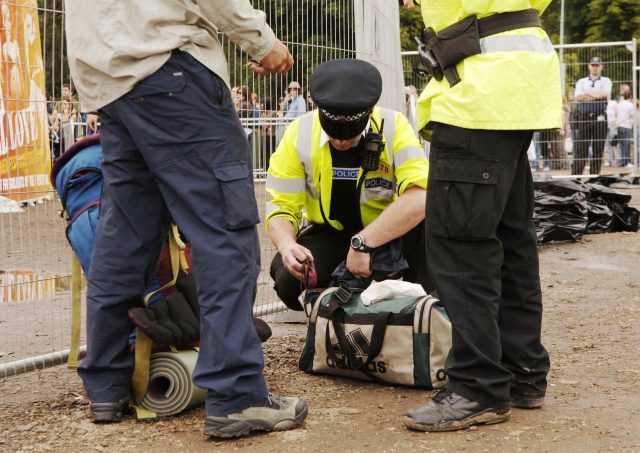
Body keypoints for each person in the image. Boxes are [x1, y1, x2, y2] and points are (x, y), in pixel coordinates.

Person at [64, 0, 308, 439]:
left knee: (125, 236)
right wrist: (262, 41)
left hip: (111, 84)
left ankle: (107, 383)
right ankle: (237, 395)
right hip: (170, 70)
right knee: (224, 235)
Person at [405, 1, 561, 432]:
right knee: (511, 241)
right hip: (518, 86)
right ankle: (522, 372)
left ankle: (478, 384)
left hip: (478, 91)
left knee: (462, 247)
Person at [266, 59, 429, 311]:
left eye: (350, 134)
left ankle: (419, 315)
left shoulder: (394, 126)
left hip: (389, 232)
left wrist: (363, 242)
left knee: (430, 232)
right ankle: (331, 318)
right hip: (331, 233)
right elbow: (281, 205)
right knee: (288, 277)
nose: (340, 143)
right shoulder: (299, 132)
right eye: (332, 134)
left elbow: (420, 196)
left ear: (370, 110)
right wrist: (287, 245)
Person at [572, 56, 612, 176]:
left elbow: (605, 94)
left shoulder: (606, 80)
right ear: (589, 66)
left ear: (601, 67)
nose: (595, 67)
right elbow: (578, 97)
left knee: (598, 148)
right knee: (581, 148)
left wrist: (586, 94)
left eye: (597, 65)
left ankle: (594, 177)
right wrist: (596, 95)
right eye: (593, 65)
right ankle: (576, 176)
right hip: (584, 118)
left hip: (600, 118)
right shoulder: (581, 81)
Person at [614, 84, 635, 168]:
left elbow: (616, 115)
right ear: (630, 96)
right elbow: (633, 116)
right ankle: (627, 162)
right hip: (627, 126)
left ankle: (622, 161)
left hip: (619, 126)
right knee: (627, 144)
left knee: (622, 145)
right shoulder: (630, 105)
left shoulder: (619, 104)